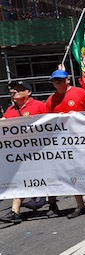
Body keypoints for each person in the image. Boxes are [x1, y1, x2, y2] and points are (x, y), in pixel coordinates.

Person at [45, 69, 85, 218]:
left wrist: (78, 115)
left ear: (67, 80)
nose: (57, 83)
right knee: (72, 173)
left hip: (84, 139)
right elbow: (46, 121)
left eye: (60, 79)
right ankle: (80, 204)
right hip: (64, 143)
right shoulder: (50, 100)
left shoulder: (79, 93)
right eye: (54, 80)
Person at [0, 81, 49, 225]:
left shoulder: (39, 106)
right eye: (13, 90)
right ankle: (15, 211)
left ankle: (50, 202)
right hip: (20, 154)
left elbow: (51, 124)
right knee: (19, 179)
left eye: (19, 90)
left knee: (49, 177)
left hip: (40, 151)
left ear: (29, 92)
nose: (14, 92)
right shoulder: (11, 110)